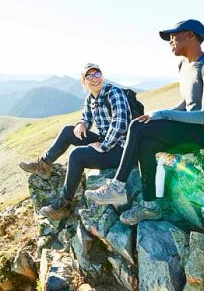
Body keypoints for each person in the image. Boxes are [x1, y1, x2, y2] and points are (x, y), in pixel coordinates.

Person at [84, 19, 204, 225]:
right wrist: (156, 114)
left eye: (174, 35)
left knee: (137, 127)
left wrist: (163, 114)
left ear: (190, 35)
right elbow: (187, 105)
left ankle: (117, 187)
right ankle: (150, 206)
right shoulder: (183, 65)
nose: (170, 40)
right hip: (192, 127)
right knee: (147, 141)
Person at [19, 63, 133, 220]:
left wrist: (104, 146)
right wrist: (82, 124)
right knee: (68, 130)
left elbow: (120, 123)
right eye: (89, 76)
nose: (95, 79)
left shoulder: (114, 93)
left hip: (122, 149)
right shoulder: (90, 98)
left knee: (76, 155)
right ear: (83, 82)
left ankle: (63, 206)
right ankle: (44, 165)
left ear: (102, 76)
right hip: (105, 140)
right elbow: (86, 118)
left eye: (97, 74)